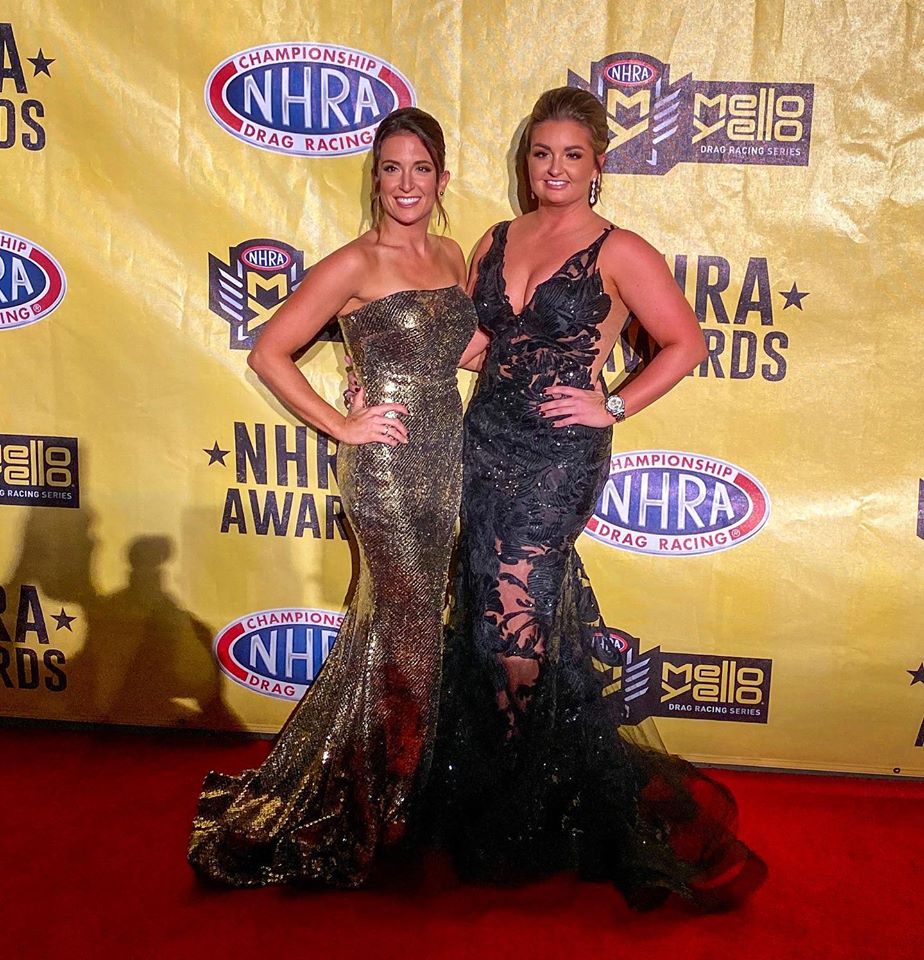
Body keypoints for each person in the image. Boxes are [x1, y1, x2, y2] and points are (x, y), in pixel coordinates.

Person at [429, 87, 767, 910]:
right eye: (540, 153)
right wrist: (398, 340)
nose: (553, 168)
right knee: (488, 604)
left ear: (598, 165)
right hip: (484, 438)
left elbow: (685, 342)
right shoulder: (496, 238)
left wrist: (610, 403)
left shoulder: (621, 251)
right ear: (527, 161)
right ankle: (533, 769)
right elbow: (481, 342)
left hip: (557, 453)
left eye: (571, 155)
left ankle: (528, 800)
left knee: (519, 606)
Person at [188, 107, 477, 888]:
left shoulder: (452, 254)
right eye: (391, 168)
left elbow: (463, 346)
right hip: (384, 473)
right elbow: (270, 349)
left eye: (421, 168)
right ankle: (380, 798)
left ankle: (393, 782)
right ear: (375, 178)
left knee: (407, 626)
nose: (406, 183)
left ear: (441, 179)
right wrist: (343, 425)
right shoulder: (354, 263)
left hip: (447, 460)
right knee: (408, 622)